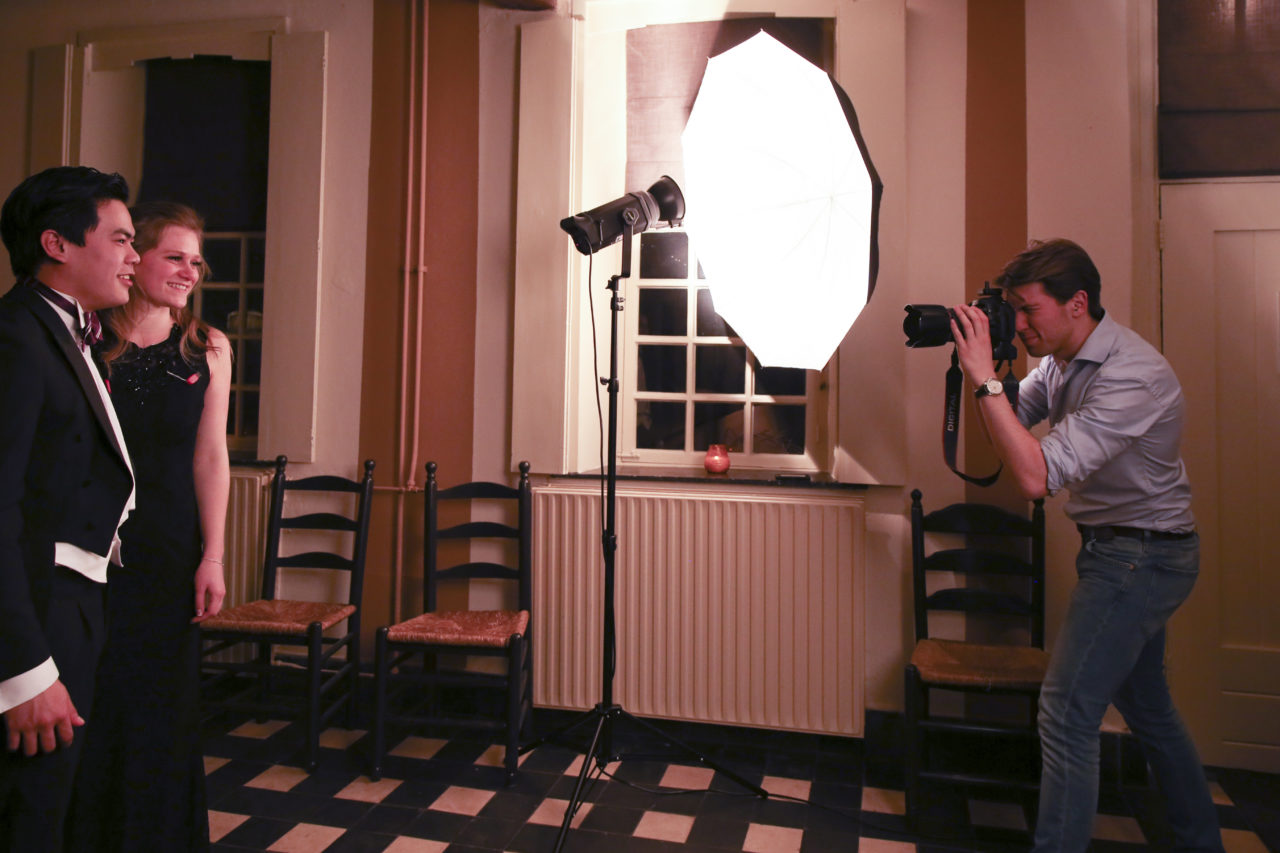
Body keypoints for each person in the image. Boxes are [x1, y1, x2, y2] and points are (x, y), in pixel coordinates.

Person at [950, 238, 1223, 852]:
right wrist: (985, 366)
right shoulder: (1061, 363)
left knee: (1066, 712)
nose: (1021, 324)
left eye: (1028, 310)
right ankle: (1201, 841)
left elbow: (1035, 477)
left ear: (1077, 303)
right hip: (1121, 550)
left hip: (1143, 557)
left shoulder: (1133, 373)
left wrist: (985, 380)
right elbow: (1011, 429)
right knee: (1149, 708)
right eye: (1013, 311)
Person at [67, 201, 231, 851]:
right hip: (88, 545)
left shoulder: (208, 346)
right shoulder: (86, 336)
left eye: (197, 261)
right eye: (175, 257)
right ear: (136, 259)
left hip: (169, 549)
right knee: (95, 693)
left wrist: (213, 556)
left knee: (163, 703)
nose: (190, 271)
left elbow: (210, 457)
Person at [0, 166, 138, 851]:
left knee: (53, 811)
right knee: (27, 817)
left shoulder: (70, 333)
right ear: (57, 244)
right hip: (37, 612)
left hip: (75, 602)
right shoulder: (15, 337)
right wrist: (22, 671)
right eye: (121, 238)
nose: (133, 256)